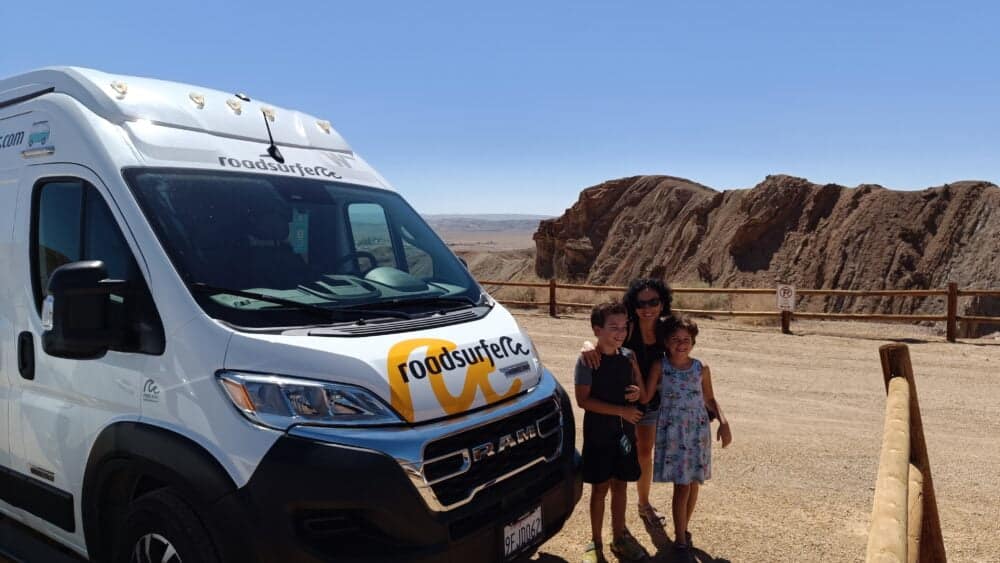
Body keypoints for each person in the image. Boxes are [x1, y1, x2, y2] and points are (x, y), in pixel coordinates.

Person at [581, 278, 673, 526]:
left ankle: (643, 504)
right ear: (632, 305)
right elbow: (600, 339)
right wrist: (586, 344)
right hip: (622, 397)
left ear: (662, 303)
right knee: (623, 449)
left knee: (645, 451)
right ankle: (614, 516)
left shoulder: (667, 328)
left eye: (653, 301)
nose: (647, 307)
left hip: (649, 395)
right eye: (641, 302)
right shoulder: (627, 327)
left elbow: (684, 346)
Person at [650, 316, 732, 558]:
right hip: (673, 431)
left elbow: (709, 398)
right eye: (675, 339)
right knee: (682, 485)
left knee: (694, 481)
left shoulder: (701, 368)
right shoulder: (660, 367)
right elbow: (646, 395)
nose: (681, 344)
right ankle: (679, 538)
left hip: (697, 430)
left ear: (693, 342)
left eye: (686, 340)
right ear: (666, 342)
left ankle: (683, 528)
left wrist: (724, 423)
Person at [575, 301, 648, 562]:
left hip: (625, 434)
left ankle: (618, 538)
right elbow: (583, 401)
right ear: (597, 330)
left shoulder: (628, 356)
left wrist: (638, 394)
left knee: (621, 486)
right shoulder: (587, 360)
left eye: (624, 326)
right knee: (599, 489)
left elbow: (641, 391)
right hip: (598, 434)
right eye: (613, 327)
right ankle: (595, 542)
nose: (620, 332)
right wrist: (622, 412)